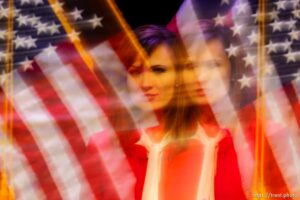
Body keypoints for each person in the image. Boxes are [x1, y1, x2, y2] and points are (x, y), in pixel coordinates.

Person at [83, 24, 246, 200]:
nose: (145, 82)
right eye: (135, 72)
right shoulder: (103, 145)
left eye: (158, 70)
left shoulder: (219, 141)